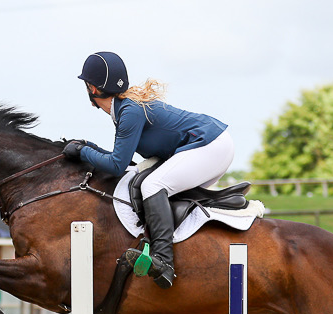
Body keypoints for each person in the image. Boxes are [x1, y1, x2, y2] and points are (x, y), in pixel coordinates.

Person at [64, 51, 234, 289]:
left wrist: (82, 152)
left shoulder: (129, 111)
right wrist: (88, 147)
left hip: (210, 145)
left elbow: (117, 165)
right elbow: (121, 159)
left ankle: (164, 260)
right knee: (153, 186)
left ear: (92, 88)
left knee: (152, 185)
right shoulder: (126, 107)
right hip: (212, 143)